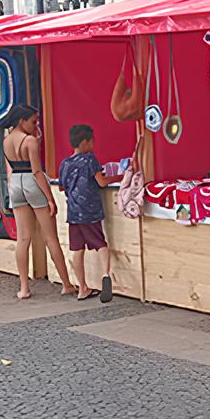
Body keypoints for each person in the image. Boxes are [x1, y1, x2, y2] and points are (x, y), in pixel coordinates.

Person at [2, 106, 78, 301]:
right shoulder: (30, 141)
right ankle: (66, 284)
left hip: (15, 184)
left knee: (23, 239)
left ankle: (24, 288)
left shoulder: (6, 140)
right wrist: (50, 198)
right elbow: (37, 172)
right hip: (31, 182)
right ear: (22, 120)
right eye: (33, 121)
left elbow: (9, 168)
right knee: (50, 237)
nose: (36, 125)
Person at [58, 122, 120, 303]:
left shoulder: (65, 163)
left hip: (73, 211)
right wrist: (121, 176)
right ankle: (106, 275)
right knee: (100, 243)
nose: (93, 144)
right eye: (92, 141)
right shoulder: (90, 159)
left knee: (77, 249)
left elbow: (62, 187)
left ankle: (82, 287)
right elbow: (101, 182)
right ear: (85, 142)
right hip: (90, 210)